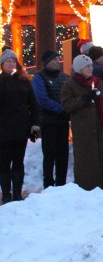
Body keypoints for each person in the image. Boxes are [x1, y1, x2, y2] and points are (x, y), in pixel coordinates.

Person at [60, 55, 103, 193]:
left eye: (91, 66)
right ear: (79, 68)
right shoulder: (70, 85)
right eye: (87, 66)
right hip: (83, 129)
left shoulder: (98, 82)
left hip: (101, 127)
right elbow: (67, 105)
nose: (90, 68)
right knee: (86, 159)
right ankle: (88, 187)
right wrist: (85, 98)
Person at [0, 50, 39, 203]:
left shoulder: (24, 81)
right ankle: (6, 194)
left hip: (21, 127)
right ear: (2, 64)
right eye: (8, 61)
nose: (11, 63)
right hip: (3, 128)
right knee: (3, 162)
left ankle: (17, 193)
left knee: (18, 160)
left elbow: (33, 104)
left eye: (13, 61)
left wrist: (35, 124)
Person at [32, 50, 69, 189]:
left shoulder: (64, 77)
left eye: (57, 59)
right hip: (48, 121)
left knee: (62, 153)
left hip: (63, 121)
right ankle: (48, 183)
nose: (56, 62)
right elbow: (42, 99)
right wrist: (61, 108)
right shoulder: (39, 77)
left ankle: (61, 183)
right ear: (46, 63)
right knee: (49, 153)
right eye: (53, 60)